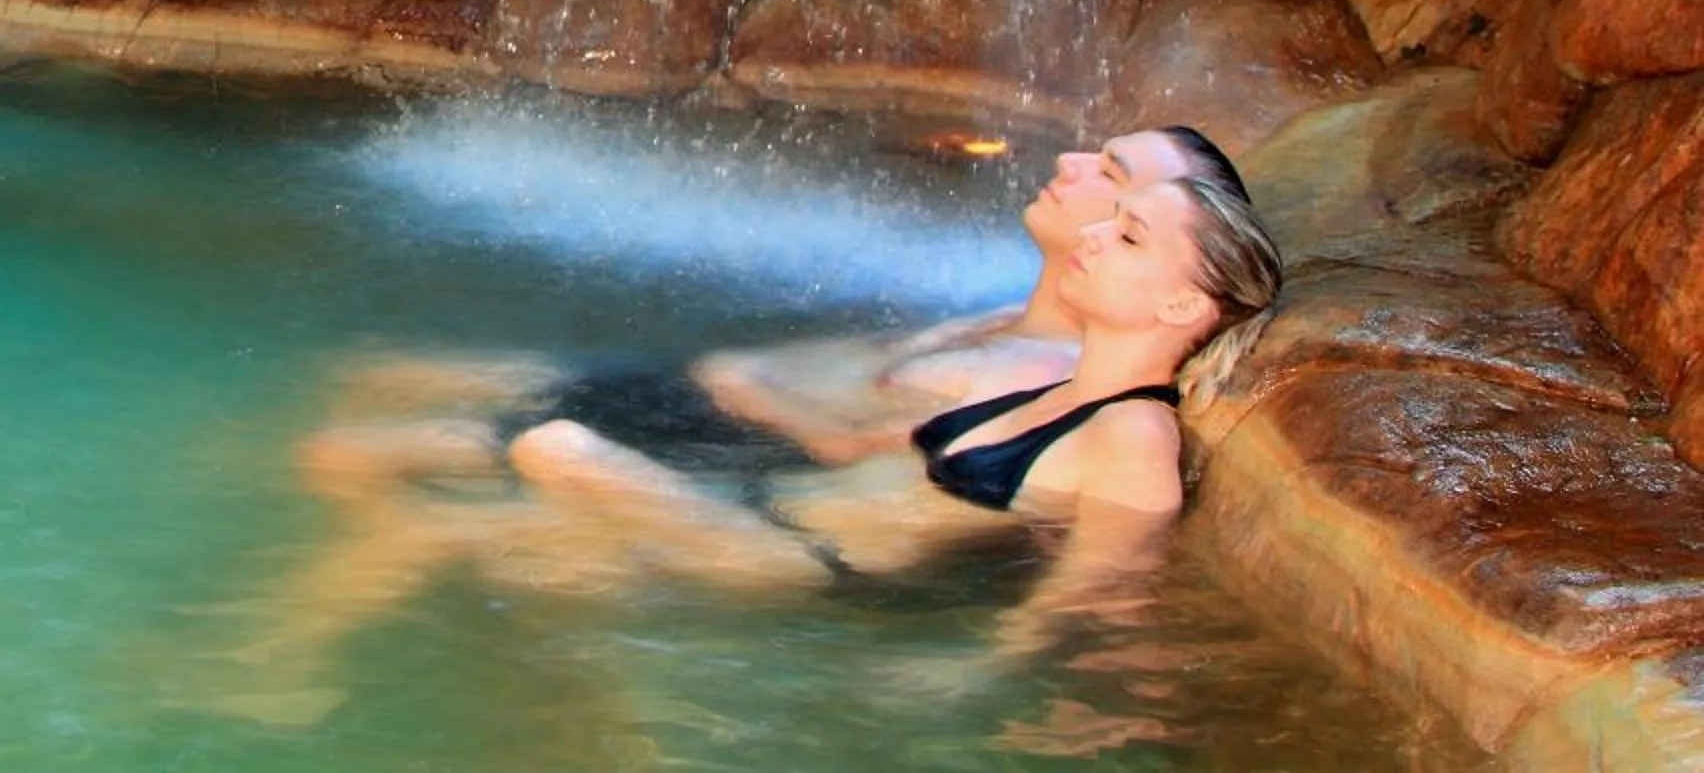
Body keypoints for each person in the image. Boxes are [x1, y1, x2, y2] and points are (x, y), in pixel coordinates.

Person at [215, 172, 1284, 712]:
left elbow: (1104, 582)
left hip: (800, 563)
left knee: (556, 450)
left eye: (1129, 234)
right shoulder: (1050, 385)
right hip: (757, 514)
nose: (1095, 232)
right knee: (428, 521)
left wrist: (973, 668)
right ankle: (274, 666)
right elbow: (876, 460)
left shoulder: (1132, 433)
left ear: (1186, 302)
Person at [298, 125, 1253, 509]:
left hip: (724, 447)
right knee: (369, 395)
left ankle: (285, 652)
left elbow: (881, 456)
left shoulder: (1066, 378)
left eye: (1121, 191)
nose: (1079, 167)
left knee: (372, 453)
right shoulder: (1008, 312)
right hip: (691, 409)